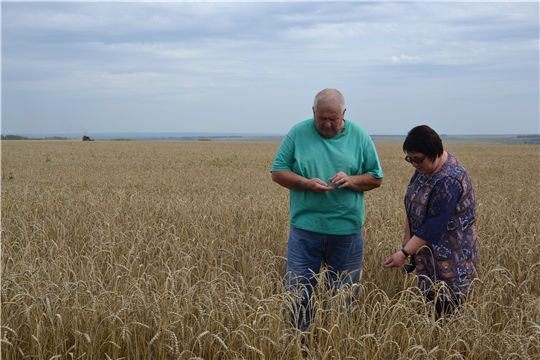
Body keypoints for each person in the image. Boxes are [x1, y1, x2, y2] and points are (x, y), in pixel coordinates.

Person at [271, 88, 384, 331]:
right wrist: (306, 184)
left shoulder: (360, 136)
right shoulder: (298, 133)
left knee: (344, 299)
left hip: (347, 232)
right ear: (313, 112)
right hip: (305, 230)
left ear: (344, 113)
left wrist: (351, 180)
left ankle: (338, 343)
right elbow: (278, 172)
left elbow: (376, 178)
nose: (328, 124)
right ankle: (297, 346)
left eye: (334, 118)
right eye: (322, 118)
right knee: (298, 296)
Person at [383, 125, 478, 318]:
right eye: (410, 159)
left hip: (451, 261)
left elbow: (433, 224)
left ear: (434, 151)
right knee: (429, 310)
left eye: (418, 159)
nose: (414, 165)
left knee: (445, 313)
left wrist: (404, 253)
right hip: (428, 254)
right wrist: (407, 236)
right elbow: (412, 204)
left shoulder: (448, 180)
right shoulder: (424, 169)